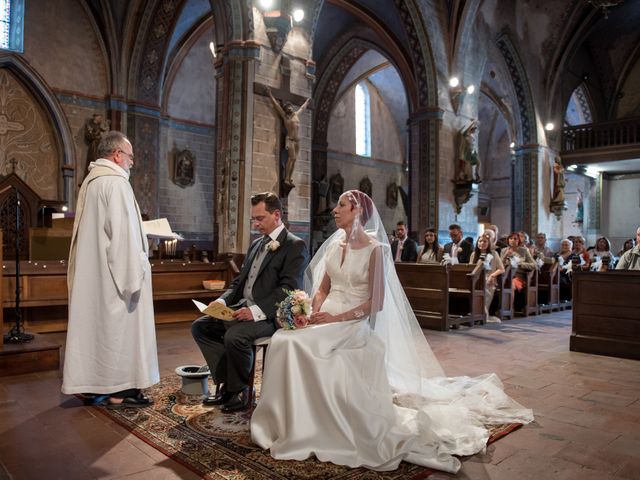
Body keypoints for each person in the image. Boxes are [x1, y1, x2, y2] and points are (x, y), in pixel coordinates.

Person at [251, 190, 533, 473]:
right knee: (284, 338)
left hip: (351, 322)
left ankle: (308, 426)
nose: (334, 210)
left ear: (358, 212)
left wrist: (335, 318)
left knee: (297, 345)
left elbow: (376, 302)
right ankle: (288, 421)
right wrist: (311, 312)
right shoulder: (336, 245)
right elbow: (323, 288)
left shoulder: (376, 250)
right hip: (325, 316)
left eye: (341, 205)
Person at [62, 131, 159, 408]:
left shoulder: (92, 183)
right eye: (129, 156)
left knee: (99, 332)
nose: (132, 162)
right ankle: (122, 391)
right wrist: (136, 272)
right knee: (120, 332)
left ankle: (95, 386)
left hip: (97, 276)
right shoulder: (116, 185)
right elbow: (123, 238)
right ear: (117, 155)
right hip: (116, 278)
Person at [191, 192, 308, 412]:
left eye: (260, 218)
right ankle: (226, 384)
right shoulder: (256, 245)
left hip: (272, 315)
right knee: (201, 327)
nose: (255, 224)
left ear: (276, 215)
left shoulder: (295, 245)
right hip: (241, 307)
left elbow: (288, 290)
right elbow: (238, 284)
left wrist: (254, 312)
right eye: (253, 219)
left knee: (235, 336)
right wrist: (222, 302)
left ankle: (241, 390)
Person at [267, 88, 311, 188]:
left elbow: (302, 108)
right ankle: (286, 178)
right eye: (287, 107)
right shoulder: (285, 117)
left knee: (294, 160)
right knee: (292, 158)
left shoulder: (296, 115)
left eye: (290, 106)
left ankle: (289, 178)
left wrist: (307, 102)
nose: (289, 108)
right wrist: (270, 95)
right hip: (290, 140)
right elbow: (277, 106)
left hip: (297, 141)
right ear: (286, 109)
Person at [470, 234, 505, 323]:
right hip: (476, 279)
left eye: (485, 241)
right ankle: (475, 314)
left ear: (489, 243)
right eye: (480, 241)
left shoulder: (494, 253)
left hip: (489, 279)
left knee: (486, 286)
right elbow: (470, 268)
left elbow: (501, 269)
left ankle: (482, 315)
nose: (482, 243)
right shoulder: (474, 254)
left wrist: (492, 276)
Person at [500, 232, 537, 312]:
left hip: (518, 276)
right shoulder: (503, 250)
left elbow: (534, 265)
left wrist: (520, 264)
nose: (513, 240)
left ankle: (509, 309)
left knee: (511, 284)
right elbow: (500, 265)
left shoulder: (524, 250)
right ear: (508, 240)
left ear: (519, 241)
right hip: (504, 275)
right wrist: (505, 255)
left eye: (515, 239)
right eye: (511, 239)